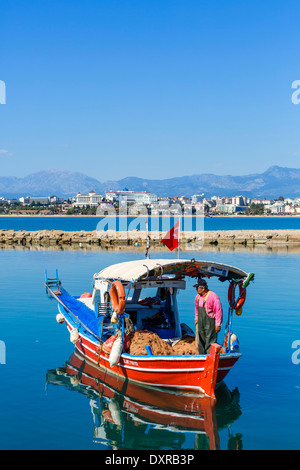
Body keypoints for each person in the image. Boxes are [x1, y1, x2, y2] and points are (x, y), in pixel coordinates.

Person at [194, 278, 223, 354]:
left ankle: (209, 356)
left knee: (210, 340)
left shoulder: (213, 296)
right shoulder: (198, 297)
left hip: (210, 323)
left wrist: (218, 324)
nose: (196, 290)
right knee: (201, 340)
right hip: (201, 322)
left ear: (203, 288)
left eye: (197, 288)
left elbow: (218, 311)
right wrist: (196, 318)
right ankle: (201, 356)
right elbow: (196, 309)